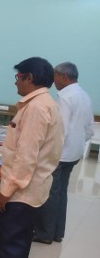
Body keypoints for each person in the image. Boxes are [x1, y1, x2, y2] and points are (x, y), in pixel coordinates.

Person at [0, 57, 64, 258]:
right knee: (19, 243)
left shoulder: (36, 108)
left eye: (18, 77)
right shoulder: (47, 103)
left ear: (29, 77)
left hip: (21, 194)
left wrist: (5, 192)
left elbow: (26, 157)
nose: (16, 82)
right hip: (33, 189)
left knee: (10, 246)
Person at [33, 62, 94, 244]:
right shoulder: (84, 95)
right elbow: (90, 129)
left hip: (60, 155)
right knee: (61, 194)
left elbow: (61, 130)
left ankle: (44, 233)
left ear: (64, 77)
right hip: (74, 153)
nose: (54, 80)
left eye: (55, 76)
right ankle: (57, 232)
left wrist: (46, 151)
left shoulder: (65, 98)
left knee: (51, 193)